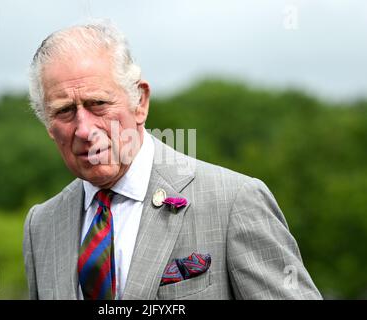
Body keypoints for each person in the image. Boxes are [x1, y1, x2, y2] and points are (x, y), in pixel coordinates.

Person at [23, 20, 322, 300]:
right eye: (64, 111)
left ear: (140, 102)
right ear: (49, 125)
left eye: (98, 104)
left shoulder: (234, 202)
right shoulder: (42, 224)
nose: (85, 129)